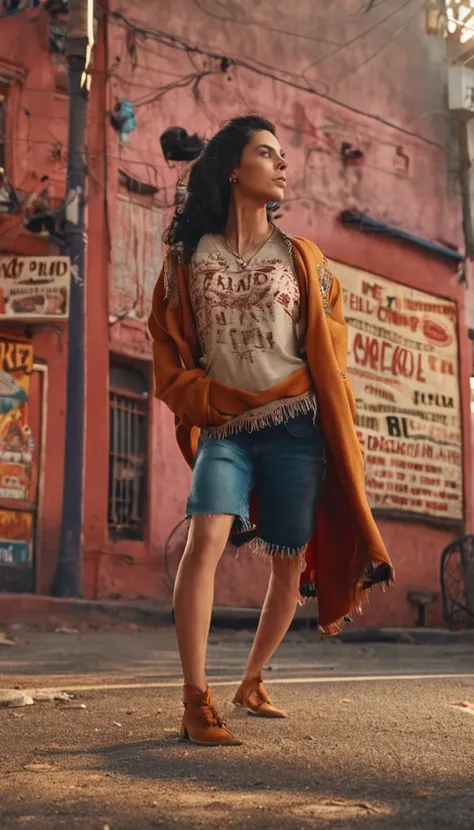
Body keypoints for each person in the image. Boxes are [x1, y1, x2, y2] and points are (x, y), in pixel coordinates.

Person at [149, 115, 393, 747]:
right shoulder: (186, 258)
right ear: (235, 168)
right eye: (267, 153)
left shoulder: (302, 257)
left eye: (283, 156)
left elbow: (330, 350)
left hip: (295, 427)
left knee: (288, 568)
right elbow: (166, 351)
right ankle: (194, 699)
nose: (282, 165)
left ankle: (251, 679)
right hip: (225, 427)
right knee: (205, 537)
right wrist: (199, 400)